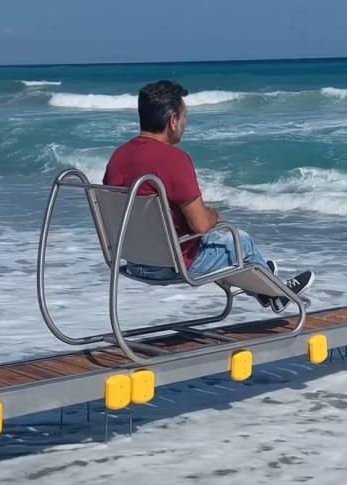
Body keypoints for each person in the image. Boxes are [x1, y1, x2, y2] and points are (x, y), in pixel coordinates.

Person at [103, 80, 314, 313]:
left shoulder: (117, 157)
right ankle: (277, 293)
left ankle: (264, 283)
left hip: (132, 261)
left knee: (224, 245)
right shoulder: (173, 159)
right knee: (239, 241)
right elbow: (201, 224)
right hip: (174, 265)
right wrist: (215, 214)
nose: (185, 124)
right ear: (172, 120)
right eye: (185, 116)